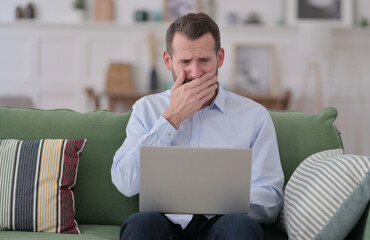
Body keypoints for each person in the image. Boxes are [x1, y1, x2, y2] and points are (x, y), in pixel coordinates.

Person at [111, 12, 284, 240]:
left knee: (240, 228)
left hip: (223, 223)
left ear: (220, 58)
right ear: (168, 61)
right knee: (140, 225)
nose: (195, 72)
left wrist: (221, 204)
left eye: (204, 61)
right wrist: (171, 119)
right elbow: (125, 182)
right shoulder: (146, 109)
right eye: (184, 62)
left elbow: (270, 199)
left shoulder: (254, 116)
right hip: (165, 222)